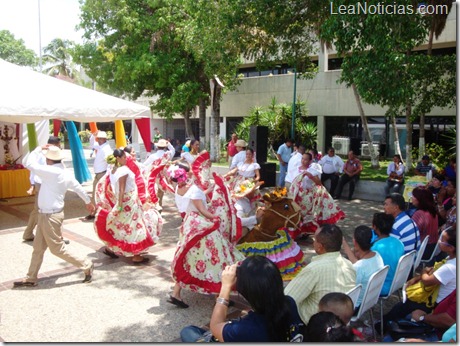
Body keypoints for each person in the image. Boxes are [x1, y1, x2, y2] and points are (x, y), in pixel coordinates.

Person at [13, 146, 95, 287]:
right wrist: (88, 201)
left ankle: (86, 264)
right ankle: (31, 277)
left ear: (48, 159)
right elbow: (78, 187)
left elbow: (29, 163)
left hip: (50, 216)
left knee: (57, 249)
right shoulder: (64, 172)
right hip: (47, 214)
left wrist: (37, 149)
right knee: (38, 248)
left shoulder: (51, 171)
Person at [168, 166, 245, 308]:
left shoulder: (179, 189)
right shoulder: (193, 190)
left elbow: (194, 200)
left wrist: (208, 190)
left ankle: (176, 293)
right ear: (185, 175)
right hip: (201, 224)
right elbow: (202, 209)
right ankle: (220, 294)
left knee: (190, 257)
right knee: (217, 256)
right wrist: (216, 218)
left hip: (189, 224)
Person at [180, 256, 304, 342]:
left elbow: (215, 326)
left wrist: (225, 287)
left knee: (188, 332)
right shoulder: (289, 303)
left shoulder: (246, 329)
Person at [381, 227, 456, 336]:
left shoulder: (450, 267)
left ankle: (382, 327)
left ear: (451, 248)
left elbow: (426, 280)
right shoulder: (451, 258)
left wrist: (423, 272)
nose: (439, 241)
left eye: (442, 240)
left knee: (401, 307)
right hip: (433, 295)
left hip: (433, 302)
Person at [94, 149, 159, 264]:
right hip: (128, 201)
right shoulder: (123, 170)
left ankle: (111, 248)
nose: (126, 159)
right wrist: (119, 204)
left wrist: (118, 203)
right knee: (134, 225)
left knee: (121, 224)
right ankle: (136, 255)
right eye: (124, 157)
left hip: (125, 200)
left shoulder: (113, 170)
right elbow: (122, 188)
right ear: (118, 158)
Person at [284, 224, 356, 324]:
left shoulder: (314, 269)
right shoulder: (349, 265)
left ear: (320, 247)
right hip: (341, 322)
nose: (313, 243)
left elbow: (288, 299)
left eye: (315, 240)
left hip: (315, 324)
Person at [288, 152, 345, 237]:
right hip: (299, 195)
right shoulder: (296, 169)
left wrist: (310, 176)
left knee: (309, 214)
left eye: (306, 159)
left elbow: (319, 183)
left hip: (309, 196)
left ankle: (307, 231)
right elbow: (292, 182)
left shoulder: (313, 169)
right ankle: (297, 231)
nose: (303, 161)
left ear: (310, 161)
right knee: (297, 213)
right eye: (302, 159)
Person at [23, 136, 62, 242]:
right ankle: (28, 233)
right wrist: (32, 185)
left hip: (49, 184)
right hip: (42, 185)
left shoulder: (53, 154)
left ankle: (55, 235)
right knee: (38, 210)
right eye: (58, 145)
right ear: (53, 145)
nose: (60, 147)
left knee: (50, 210)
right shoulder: (42, 154)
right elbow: (33, 169)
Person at [342, 225, 385, 308]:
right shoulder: (377, 255)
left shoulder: (359, 267)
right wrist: (344, 244)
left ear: (355, 242)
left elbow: (349, 289)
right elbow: (359, 264)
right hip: (370, 299)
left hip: (356, 305)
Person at [370, 212, 405, 296]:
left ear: (374, 227)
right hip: (396, 282)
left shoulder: (375, 248)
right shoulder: (399, 243)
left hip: (381, 286)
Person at [85, 130, 112, 220]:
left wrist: (107, 175)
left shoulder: (106, 149)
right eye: (98, 138)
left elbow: (109, 163)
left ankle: (99, 212)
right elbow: (92, 143)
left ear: (104, 139)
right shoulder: (101, 147)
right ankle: (94, 212)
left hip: (102, 174)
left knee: (100, 194)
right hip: (99, 174)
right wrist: (93, 135)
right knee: (96, 193)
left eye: (100, 138)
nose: (99, 140)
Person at [410, 187, 439, 260]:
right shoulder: (433, 212)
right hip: (432, 248)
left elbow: (412, 234)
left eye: (413, 196)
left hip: (422, 251)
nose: (411, 198)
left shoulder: (419, 214)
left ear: (419, 199)